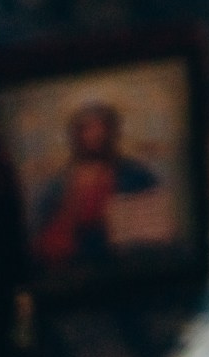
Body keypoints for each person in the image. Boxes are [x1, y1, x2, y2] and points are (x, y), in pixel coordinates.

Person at [33, 102, 165, 270]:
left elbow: (155, 233)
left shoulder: (137, 176)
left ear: (113, 132)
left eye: (101, 127)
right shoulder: (56, 185)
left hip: (128, 266)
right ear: (76, 135)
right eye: (87, 129)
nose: (95, 135)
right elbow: (43, 236)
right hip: (73, 268)